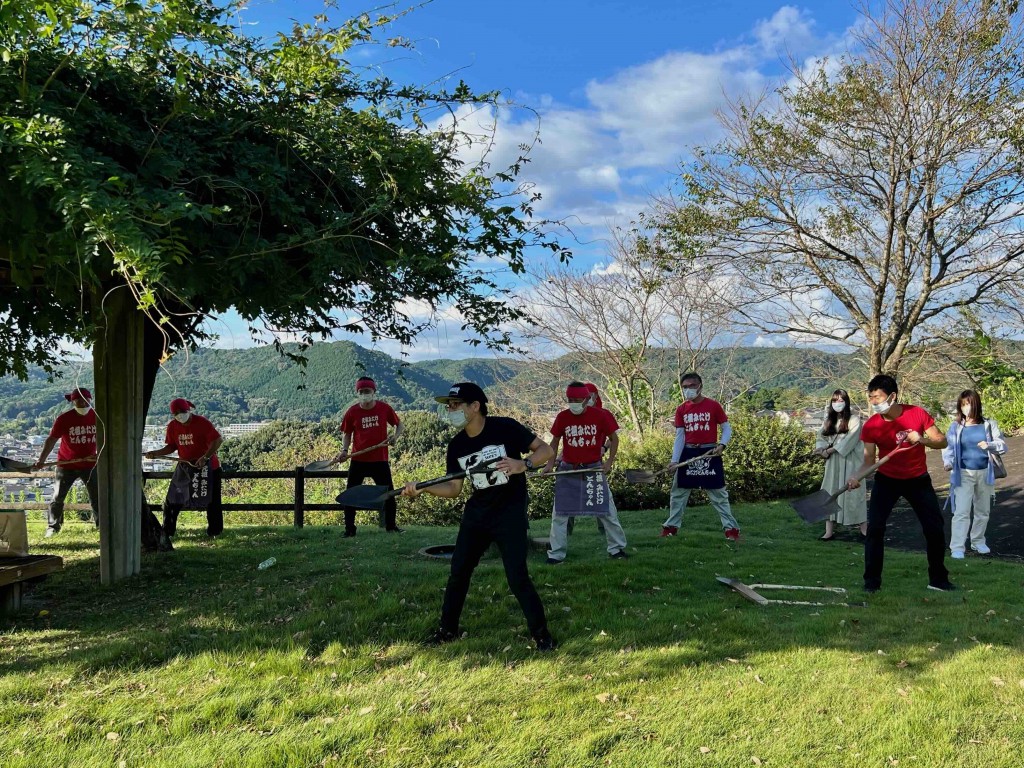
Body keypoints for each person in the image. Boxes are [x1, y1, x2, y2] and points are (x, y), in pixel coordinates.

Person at [403, 382, 557, 651]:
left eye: (455, 405)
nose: (450, 410)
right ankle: (447, 631)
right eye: (448, 405)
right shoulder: (457, 445)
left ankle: (542, 635)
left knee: (517, 576)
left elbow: (546, 450)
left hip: (509, 512)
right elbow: (453, 489)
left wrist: (525, 464)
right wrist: (424, 488)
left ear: (475, 406)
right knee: (458, 573)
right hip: (477, 515)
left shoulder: (505, 428)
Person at [846, 375, 955, 593]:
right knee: (875, 529)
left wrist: (921, 439)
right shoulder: (872, 426)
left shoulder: (917, 413)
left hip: (918, 480)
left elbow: (942, 440)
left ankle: (938, 580)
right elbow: (868, 461)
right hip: (887, 481)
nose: (874, 402)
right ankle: (871, 583)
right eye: (871, 398)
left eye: (877, 397)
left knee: (934, 529)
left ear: (893, 396)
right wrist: (855, 476)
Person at [544, 381, 627, 563]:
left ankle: (616, 549)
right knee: (560, 514)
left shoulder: (600, 415)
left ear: (587, 399)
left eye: (578, 399)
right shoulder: (563, 417)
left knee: (607, 510)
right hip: (568, 469)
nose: (574, 402)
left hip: (593, 468)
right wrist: (550, 464)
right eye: (570, 399)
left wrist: (609, 462)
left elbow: (614, 439)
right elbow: (555, 441)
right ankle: (556, 554)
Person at [660, 372, 740, 540]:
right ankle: (671, 527)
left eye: (692, 386)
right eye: (685, 387)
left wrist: (722, 444)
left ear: (700, 386)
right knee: (678, 493)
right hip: (688, 453)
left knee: (719, 494)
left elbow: (726, 428)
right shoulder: (681, 409)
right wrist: (674, 461)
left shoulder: (713, 405)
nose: (688, 389)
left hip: (710, 452)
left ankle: (731, 530)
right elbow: (680, 436)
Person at [941, 389, 1006, 559]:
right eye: (962, 404)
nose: (965, 408)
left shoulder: (989, 424)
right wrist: (948, 462)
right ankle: (957, 546)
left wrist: (989, 444)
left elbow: (1002, 445)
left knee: (983, 510)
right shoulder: (956, 426)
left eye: (968, 404)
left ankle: (978, 541)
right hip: (963, 473)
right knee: (961, 511)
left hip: (985, 472)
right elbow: (948, 447)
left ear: (975, 404)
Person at [145, 398, 224, 537]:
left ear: (188, 410)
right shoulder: (172, 426)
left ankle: (215, 531)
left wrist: (205, 457)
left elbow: (217, 440)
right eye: (176, 413)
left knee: (212, 500)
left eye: (181, 411)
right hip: (185, 466)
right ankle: (167, 531)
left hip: (208, 466)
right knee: (172, 499)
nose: (179, 415)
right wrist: (156, 453)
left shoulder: (202, 422)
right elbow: (171, 446)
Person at [337, 377, 403, 536]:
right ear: (357, 393)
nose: (364, 394)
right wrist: (344, 450)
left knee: (388, 494)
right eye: (361, 392)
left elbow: (399, 425)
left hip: (380, 459)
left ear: (374, 392)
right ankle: (349, 530)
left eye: (367, 391)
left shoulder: (384, 408)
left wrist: (395, 437)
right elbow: (347, 434)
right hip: (358, 460)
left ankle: (391, 527)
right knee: (351, 495)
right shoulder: (352, 411)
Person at [34, 388, 98, 538]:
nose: (83, 403)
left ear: (90, 399)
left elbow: (108, 439)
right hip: (66, 464)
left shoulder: (98, 417)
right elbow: (51, 440)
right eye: (78, 400)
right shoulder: (64, 419)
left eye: (85, 399)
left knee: (97, 497)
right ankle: (53, 526)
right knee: (57, 497)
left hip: (90, 464)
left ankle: (101, 525)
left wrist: (99, 455)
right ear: (73, 402)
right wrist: (41, 460)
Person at [814, 389, 867, 540]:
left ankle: (864, 529)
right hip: (833, 464)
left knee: (854, 493)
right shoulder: (829, 420)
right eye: (835, 400)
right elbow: (821, 437)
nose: (838, 403)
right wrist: (821, 449)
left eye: (841, 400)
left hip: (850, 462)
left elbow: (849, 441)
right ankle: (829, 531)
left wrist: (829, 451)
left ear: (846, 402)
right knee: (829, 492)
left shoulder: (854, 420)